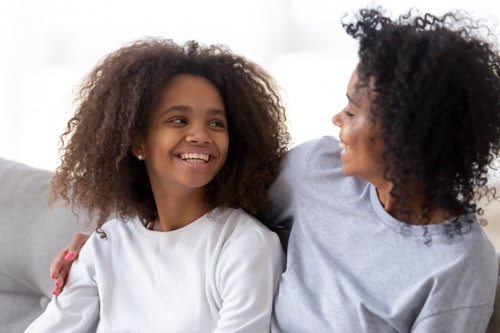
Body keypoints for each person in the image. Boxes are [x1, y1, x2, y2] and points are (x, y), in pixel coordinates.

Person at [49, 6, 500, 333]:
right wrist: (115, 242)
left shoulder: (460, 261)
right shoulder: (316, 170)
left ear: (407, 133)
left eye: (353, 109)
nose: (337, 120)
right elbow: (209, 200)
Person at [25, 37, 290, 332]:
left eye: (216, 123)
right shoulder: (105, 245)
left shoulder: (244, 246)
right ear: (138, 142)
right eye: (178, 120)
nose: (201, 135)